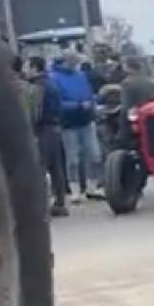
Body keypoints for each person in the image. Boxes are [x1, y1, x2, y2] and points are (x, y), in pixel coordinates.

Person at [50, 51, 103, 200]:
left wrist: (92, 102)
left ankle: (91, 186)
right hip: (69, 123)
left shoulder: (81, 75)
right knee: (73, 158)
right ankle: (75, 189)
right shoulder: (55, 78)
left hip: (86, 119)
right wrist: (78, 105)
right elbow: (57, 103)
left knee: (93, 154)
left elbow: (89, 94)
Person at [25, 56, 70, 217]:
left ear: (35, 68)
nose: (25, 70)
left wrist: (31, 129)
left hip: (43, 130)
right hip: (55, 129)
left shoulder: (38, 87)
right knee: (56, 168)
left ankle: (41, 205)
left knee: (40, 167)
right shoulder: (52, 84)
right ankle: (60, 202)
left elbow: (35, 112)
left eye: (27, 66)